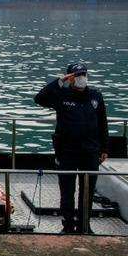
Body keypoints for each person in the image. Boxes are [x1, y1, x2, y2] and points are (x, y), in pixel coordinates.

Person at [34, 62, 109, 234]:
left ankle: (85, 225)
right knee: (67, 191)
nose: (81, 78)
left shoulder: (96, 96)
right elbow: (39, 98)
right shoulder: (61, 95)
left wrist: (104, 148)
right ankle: (67, 224)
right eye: (77, 75)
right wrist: (59, 82)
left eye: (83, 74)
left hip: (90, 152)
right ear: (70, 78)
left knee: (87, 191)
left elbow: (103, 123)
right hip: (67, 151)